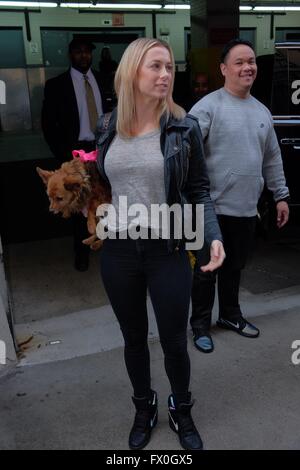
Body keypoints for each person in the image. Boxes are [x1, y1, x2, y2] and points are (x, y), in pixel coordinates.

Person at [95, 38, 225, 450]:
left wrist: (213, 236)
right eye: (155, 66)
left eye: (169, 67)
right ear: (132, 72)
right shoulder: (106, 126)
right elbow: (106, 184)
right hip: (117, 249)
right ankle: (143, 406)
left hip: (167, 247)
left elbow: (200, 189)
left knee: (173, 340)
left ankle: (181, 409)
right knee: (133, 338)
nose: (165, 75)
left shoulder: (184, 128)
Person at [189, 38, 290, 354]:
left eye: (252, 62)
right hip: (211, 209)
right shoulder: (207, 108)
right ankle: (200, 325)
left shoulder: (262, 111)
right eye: (239, 62)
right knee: (207, 270)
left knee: (234, 268)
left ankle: (231, 316)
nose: (248, 67)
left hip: (246, 208)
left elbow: (272, 157)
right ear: (223, 69)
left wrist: (281, 195)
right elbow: (186, 157)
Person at [41, 37, 113, 271]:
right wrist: (64, 156)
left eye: (87, 52)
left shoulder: (103, 80)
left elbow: (115, 113)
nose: (83, 56)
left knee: (106, 197)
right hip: (74, 153)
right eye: (78, 52)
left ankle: (108, 245)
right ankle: (81, 252)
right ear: (70, 55)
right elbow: (48, 125)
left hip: (102, 149)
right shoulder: (56, 85)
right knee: (76, 202)